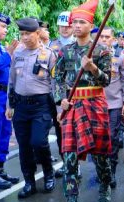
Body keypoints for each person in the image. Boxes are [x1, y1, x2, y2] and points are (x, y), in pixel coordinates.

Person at [53, 0, 113, 202]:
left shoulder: (102, 50)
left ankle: (105, 187)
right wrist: (61, 99)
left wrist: (93, 68)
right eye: (74, 22)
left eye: (81, 22)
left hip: (95, 105)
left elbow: (106, 81)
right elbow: (57, 78)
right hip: (72, 107)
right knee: (69, 157)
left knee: (100, 154)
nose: (76, 26)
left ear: (90, 25)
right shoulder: (65, 51)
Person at [6, 18, 57, 198]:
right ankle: (29, 182)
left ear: (37, 33)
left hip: (41, 106)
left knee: (38, 142)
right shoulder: (18, 53)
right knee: (24, 146)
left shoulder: (49, 55)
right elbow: (11, 81)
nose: (25, 37)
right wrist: (9, 105)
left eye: (28, 34)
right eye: (22, 34)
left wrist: (58, 109)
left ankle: (49, 174)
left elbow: (55, 84)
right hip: (20, 106)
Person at [99, 26, 124, 189]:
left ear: (113, 39)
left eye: (107, 37)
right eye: (101, 37)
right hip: (96, 104)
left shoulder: (120, 57)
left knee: (112, 139)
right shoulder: (91, 56)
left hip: (114, 104)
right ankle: (101, 170)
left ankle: (111, 171)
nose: (104, 39)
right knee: (98, 140)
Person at [49, 11, 76, 179]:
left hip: (75, 93)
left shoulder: (78, 44)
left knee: (75, 131)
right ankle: (66, 162)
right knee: (60, 131)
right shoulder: (52, 45)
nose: (65, 29)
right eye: (61, 26)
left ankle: (76, 165)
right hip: (57, 94)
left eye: (68, 26)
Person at [0, 12, 20, 189]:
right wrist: (8, 54)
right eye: (2, 26)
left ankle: (0, 169)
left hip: (5, 97)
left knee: (4, 133)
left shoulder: (1, 47)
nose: (6, 29)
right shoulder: (4, 50)